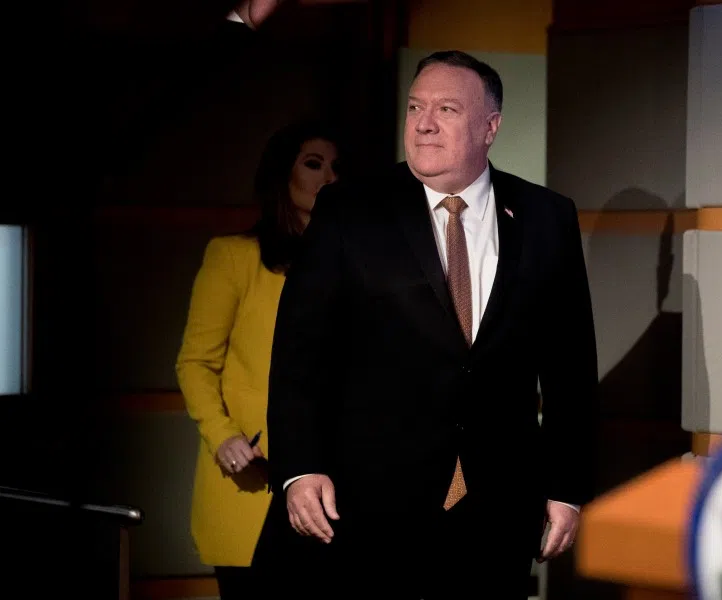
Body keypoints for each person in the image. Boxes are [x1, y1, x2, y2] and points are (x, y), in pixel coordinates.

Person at [264, 50, 598, 599]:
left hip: (498, 507)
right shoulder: (350, 210)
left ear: (490, 126)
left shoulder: (546, 216)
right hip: (367, 503)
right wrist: (300, 468)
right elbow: (301, 351)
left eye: (446, 109)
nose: (423, 124)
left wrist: (566, 487)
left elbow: (570, 368)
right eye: (415, 106)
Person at [175, 122, 341, 600]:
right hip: (254, 481)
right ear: (282, 176)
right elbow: (194, 362)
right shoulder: (233, 257)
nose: (328, 176)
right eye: (313, 164)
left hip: (332, 482)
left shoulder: (353, 265)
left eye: (335, 167)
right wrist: (222, 433)